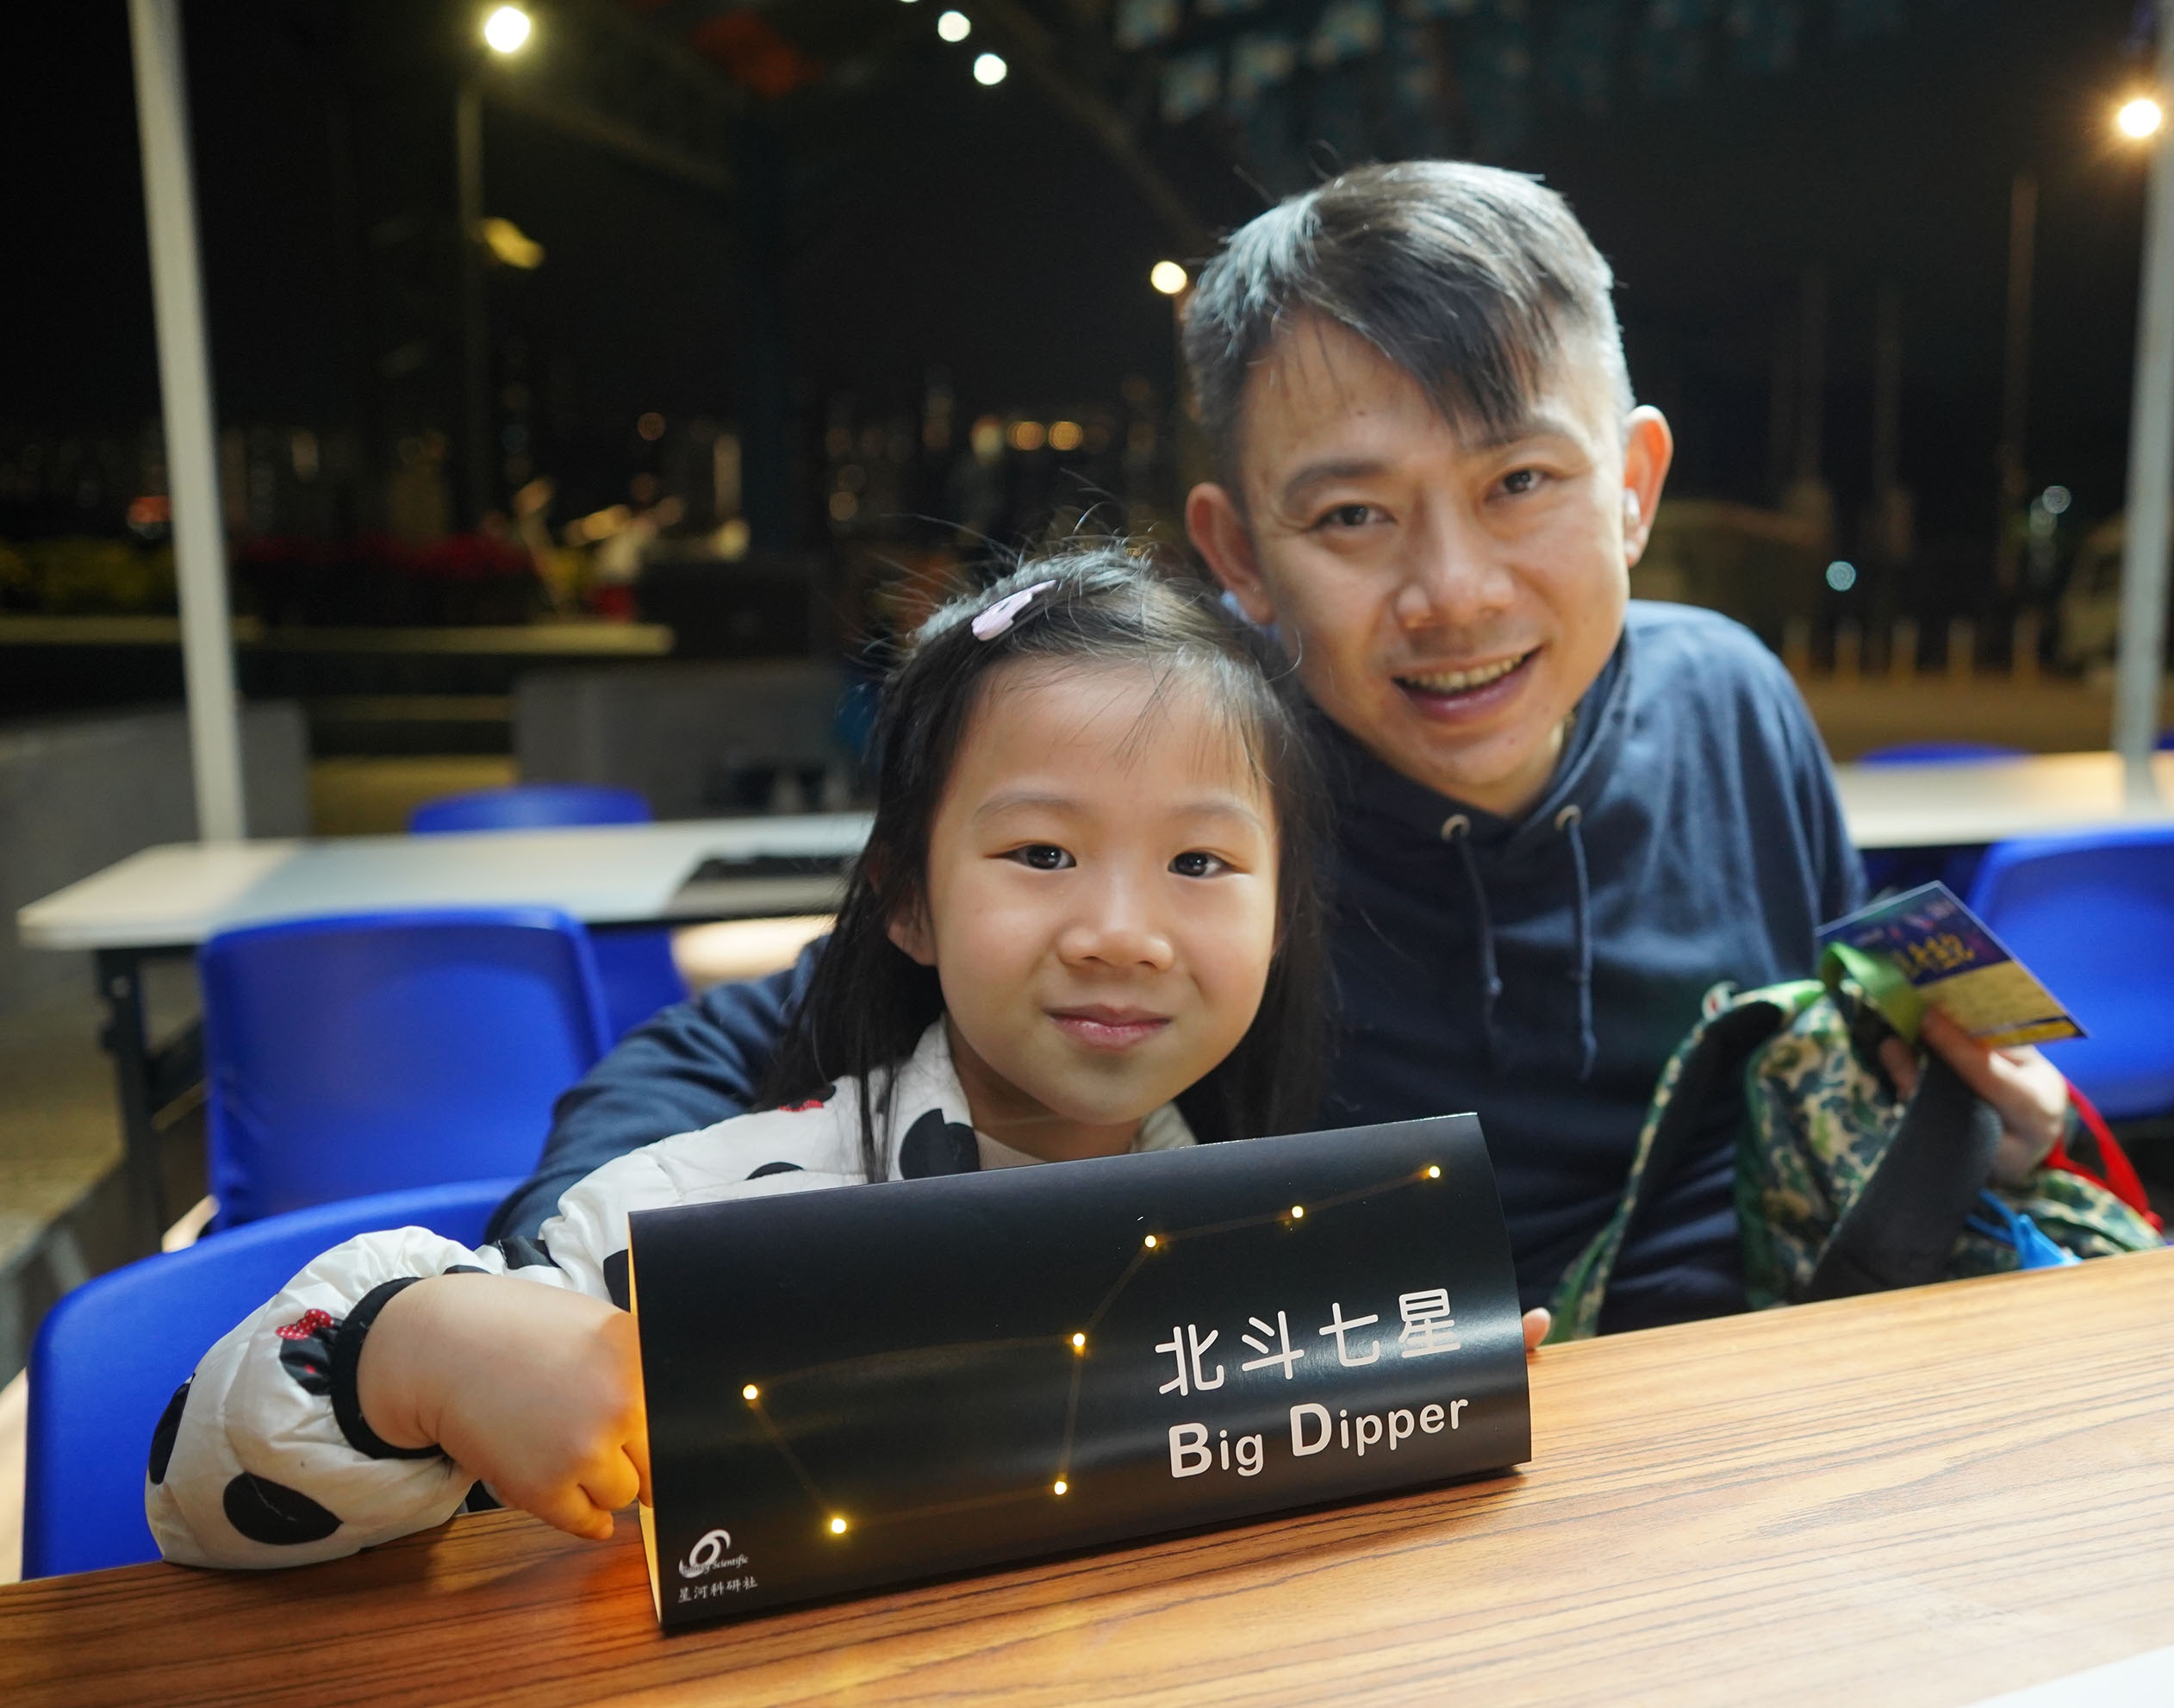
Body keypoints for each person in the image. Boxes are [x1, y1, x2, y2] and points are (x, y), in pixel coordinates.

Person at [499, 160, 2074, 1332]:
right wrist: (531, 1301)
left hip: (1761, 1417)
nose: (1453, 593)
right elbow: (727, 1053)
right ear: (1238, 555)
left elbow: (1839, 1039)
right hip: (1365, 1470)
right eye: (1352, 516)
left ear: (1634, 489)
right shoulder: (1194, 793)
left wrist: (1972, 1114)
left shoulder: (1734, 698)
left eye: (1521, 483)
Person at [148, 551, 1334, 1567]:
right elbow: (197, 1503)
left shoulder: (1282, 1240)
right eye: (1042, 853)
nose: (1121, 935)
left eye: (1198, 864)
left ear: (1280, 917)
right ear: (908, 902)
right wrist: (411, 1351)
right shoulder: (707, 1215)